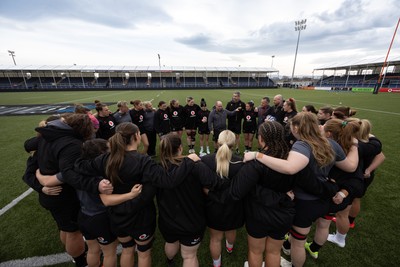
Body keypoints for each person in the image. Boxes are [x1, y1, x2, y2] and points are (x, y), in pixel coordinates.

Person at [73, 122, 198, 267]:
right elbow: (169, 181)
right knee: (143, 253)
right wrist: (189, 161)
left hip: (117, 216)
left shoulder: (106, 159)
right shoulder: (142, 161)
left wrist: (97, 183)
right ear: (136, 136)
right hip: (140, 218)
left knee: (127, 249)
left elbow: (79, 166)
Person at [243, 112, 359, 267]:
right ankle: (307, 250)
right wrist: (355, 146)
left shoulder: (302, 145)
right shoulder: (330, 143)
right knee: (315, 229)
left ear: (296, 127)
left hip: (304, 202)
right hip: (322, 199)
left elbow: (290, 168)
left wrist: (258, 155)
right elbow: (351, 167)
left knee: (298, 243)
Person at [210, 122, 295, 267]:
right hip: (283, 213)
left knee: (256, 252)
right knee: (274, 252)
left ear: (261, 138)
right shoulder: (293, 159)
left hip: (259, 213)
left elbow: (235, 192)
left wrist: (211, 194)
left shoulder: (255, 163)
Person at [24, 113, 96, 267]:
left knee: (65, 227)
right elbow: (69, 173)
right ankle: (81, 261)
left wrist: (43, 182)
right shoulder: (71, 144)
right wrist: (95, 185)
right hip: (62, 195)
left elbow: (28, 145)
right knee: (73, 231)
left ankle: (74, 255)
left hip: (53, 194)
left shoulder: (49, 136)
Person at [35, 139, 120, 267]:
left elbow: (49, 181)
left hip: (84, 216)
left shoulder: (74, 169)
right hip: (101, 217)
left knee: (93, 249)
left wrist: (38, 175)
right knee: (109, 252)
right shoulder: (104, 171)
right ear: (102, 153)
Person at [155, 133, 228, 267]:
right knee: (189, 256)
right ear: (180, 148)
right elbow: (217, 183)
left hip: (168, 219)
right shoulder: (195, 166)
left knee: (171, 242)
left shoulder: (157, 169)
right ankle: (170, 260)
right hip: (191, 220)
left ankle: (170, 261)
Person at [201, 130, 244, 267]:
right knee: (231, 229)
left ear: (218, 142)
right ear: (233, 143)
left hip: (213, 205)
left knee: (215, 238)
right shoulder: (240, 162)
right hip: (233, 205)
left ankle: (217, 263)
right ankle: (229, 248)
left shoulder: (206, 160)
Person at [348, 119, 385, 228]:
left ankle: (350, 221)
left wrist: (368, 170)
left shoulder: (363, 145)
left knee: (355, 198)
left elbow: (381, 157)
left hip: (362, 175)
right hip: (362, 174)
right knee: (352, 197)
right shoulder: (371, 141)